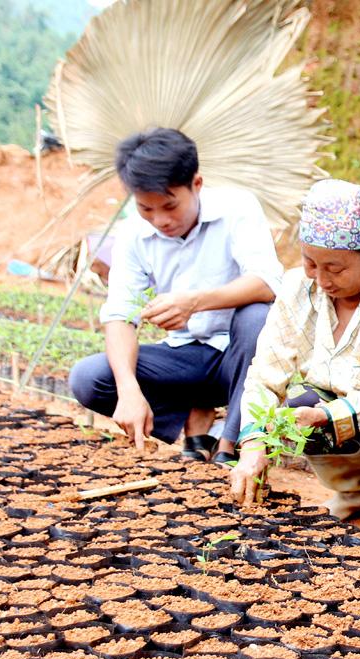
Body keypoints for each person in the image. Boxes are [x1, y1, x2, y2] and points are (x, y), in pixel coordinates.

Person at [69, 127, 283, 464]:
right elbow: (120, 316)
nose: (160, 220)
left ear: (196, 184)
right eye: (146, 209)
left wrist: (194, 302)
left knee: (257, 316)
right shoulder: (133, 235)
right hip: (186, 358)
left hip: (238, 358)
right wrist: (128, 390)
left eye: (170, 206)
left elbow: (268, 283)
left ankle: (232, 440)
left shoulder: (237, 208)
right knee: (89, 378)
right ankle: (194, 417)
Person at [229, 180, 360, 535]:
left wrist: (327, 415)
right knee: (297, 403)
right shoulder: (297, 289)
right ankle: (352, 492)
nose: (322, 279)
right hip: (336, 408)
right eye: (311, 263)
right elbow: (266, 373)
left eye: (335, 268)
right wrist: (252, 442)